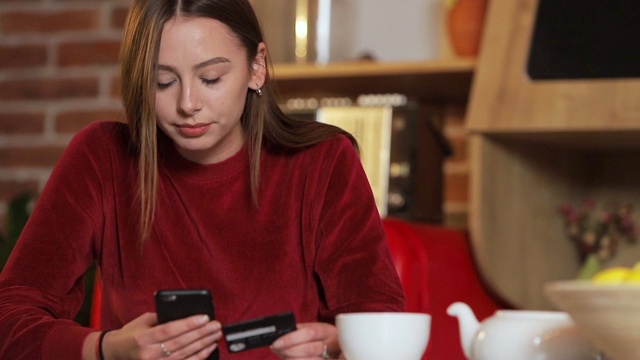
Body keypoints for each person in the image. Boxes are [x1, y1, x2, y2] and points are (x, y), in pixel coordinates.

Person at [0, 0, 406, 359]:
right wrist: (107, 349)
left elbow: (381, 326)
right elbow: (9, 318)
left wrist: (333, 347)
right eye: (163, 82)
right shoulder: (103, 157)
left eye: (210, 78)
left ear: (257, 67)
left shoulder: (323, 164)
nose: (187, 104)